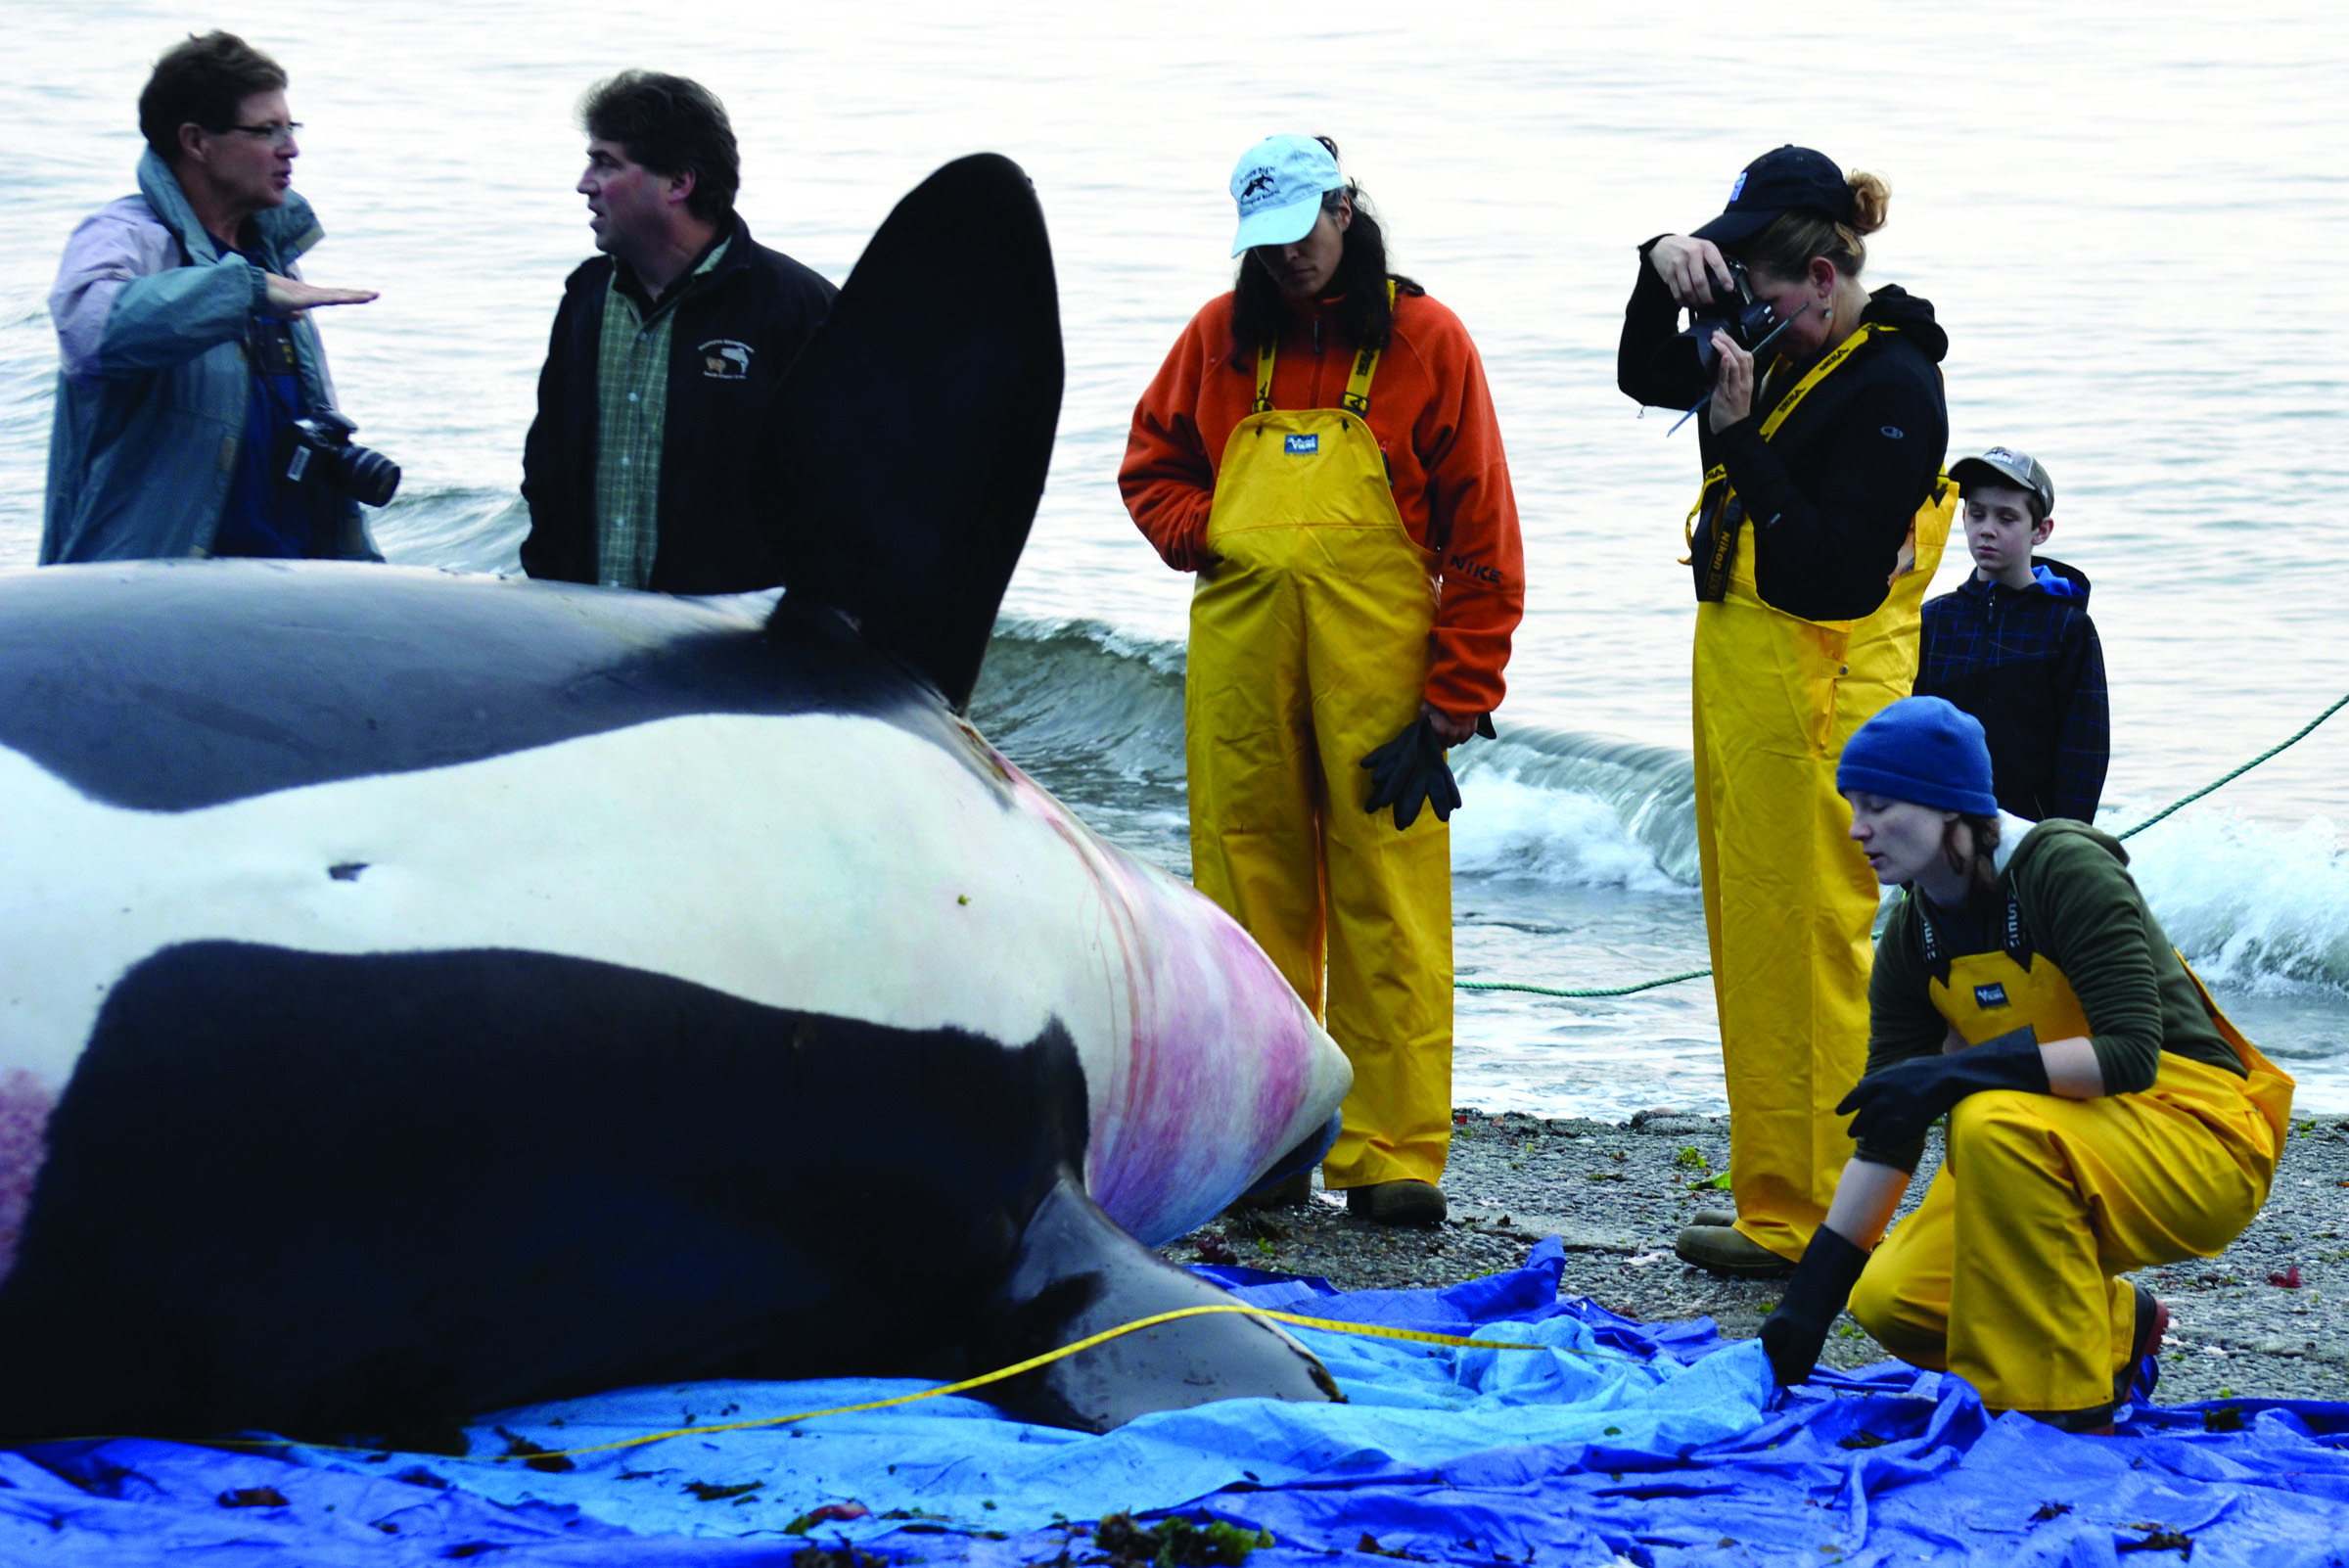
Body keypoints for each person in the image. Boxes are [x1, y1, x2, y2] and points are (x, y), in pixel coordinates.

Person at [1121, 135, 1524, 1225]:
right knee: (1245, 898)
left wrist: (1454, 702)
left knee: (1388, 908)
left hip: (1382, 671)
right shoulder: (1217, 334)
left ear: (1345, 209)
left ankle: (1392, 1154)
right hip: (1242, 657)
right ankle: (1264, 1144)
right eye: (1267, 243)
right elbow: (1149, 465)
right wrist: (1208, 533)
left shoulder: (1428, 338)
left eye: (1304, 234)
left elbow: (1483, 533)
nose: (1288, 260)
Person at [1759, 697, 2293, 1430]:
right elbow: (1887, 1137)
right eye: (1852, 806)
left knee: (1989, 1119)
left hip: (2200, 1139)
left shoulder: (2061, 868)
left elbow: (2132, 1054)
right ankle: (2114, 1325)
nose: (1857, 830)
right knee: (1895, 1300)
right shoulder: (1912, 938)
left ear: (1950, 807)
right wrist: (1808, 1305)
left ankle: (2066, 1413)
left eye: (1880, 806)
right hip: (2059, 1142)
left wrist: (1956, 1073)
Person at [1617, 146, 1956, 1276]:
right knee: (1753, 938)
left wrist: (1743, 433)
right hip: (1743, 675)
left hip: (1827, 692)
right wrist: (1657, 269)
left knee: (1819, 941)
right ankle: (1776, 1208)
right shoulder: (1777, 341)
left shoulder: (1894, 384)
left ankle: (1835, 1219)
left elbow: (1831, 575)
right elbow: (1639, 376)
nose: (1744, 304)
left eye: (1758, 281)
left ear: (1821, 275)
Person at [44, 31, 384, 565]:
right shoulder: (124, 237)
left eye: (289, 127)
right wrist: (242, 291)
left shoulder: (270, 253)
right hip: (148, 608)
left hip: (284, 588)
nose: (290, 147)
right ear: (197, 142)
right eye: (266, 130)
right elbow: (89, 332)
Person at [520, 70, 836, 592]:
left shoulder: (796, 309)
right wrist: (549, 594)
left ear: (679, 183)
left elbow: (847, 493)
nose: (585, 183)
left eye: (606, 162)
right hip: (584, 635)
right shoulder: (586, 298)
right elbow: (545, 467)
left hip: (728, 651)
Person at [1914, 446, 2108, 822]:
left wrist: (2064, 839)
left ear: (2041, 530)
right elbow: (1911, 734)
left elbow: (2085, 750)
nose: (1987, 529)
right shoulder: (1933, 621)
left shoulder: (2068, 628)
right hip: (1941, 833)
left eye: (2007, 518)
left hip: (2031, 836)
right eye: (1977, 514)